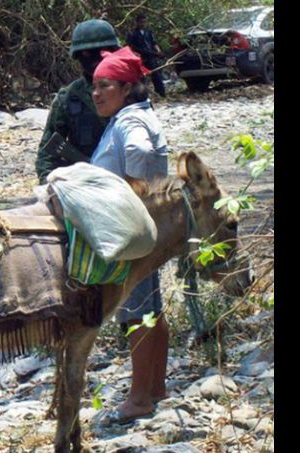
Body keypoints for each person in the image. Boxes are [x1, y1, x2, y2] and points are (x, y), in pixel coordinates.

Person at [89, 47, 170, 424]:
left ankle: (139, 400)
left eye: (104, 86)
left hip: (131, 231)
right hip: (143, 229)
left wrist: (129, 192)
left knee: (134, 311)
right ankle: (154, 388)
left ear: (126, 88)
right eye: (94, 86)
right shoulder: (133, 115)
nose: (96, 93)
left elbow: (138, 152)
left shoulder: (129, 124)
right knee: (150, 308)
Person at [35, 19, 121, 184]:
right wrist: (50, 188)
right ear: (78, 56)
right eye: (88, 54)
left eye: (101, 52)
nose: (95, 59)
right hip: (84, 184)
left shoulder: (129, 91)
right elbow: (47, 153)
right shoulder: (68, 98)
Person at [126, 14, 167, 97]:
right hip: (141, 59)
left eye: (144, 22)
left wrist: (159, 51)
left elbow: (154, 43)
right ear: (137, 22)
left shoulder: (148, 32)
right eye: (141, 22)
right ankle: (142, 96)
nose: (143, 24)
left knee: (156, 76)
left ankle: (162, 94)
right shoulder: (132, 34)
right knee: (142, 78)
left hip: (151, 57)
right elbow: (130, 47)